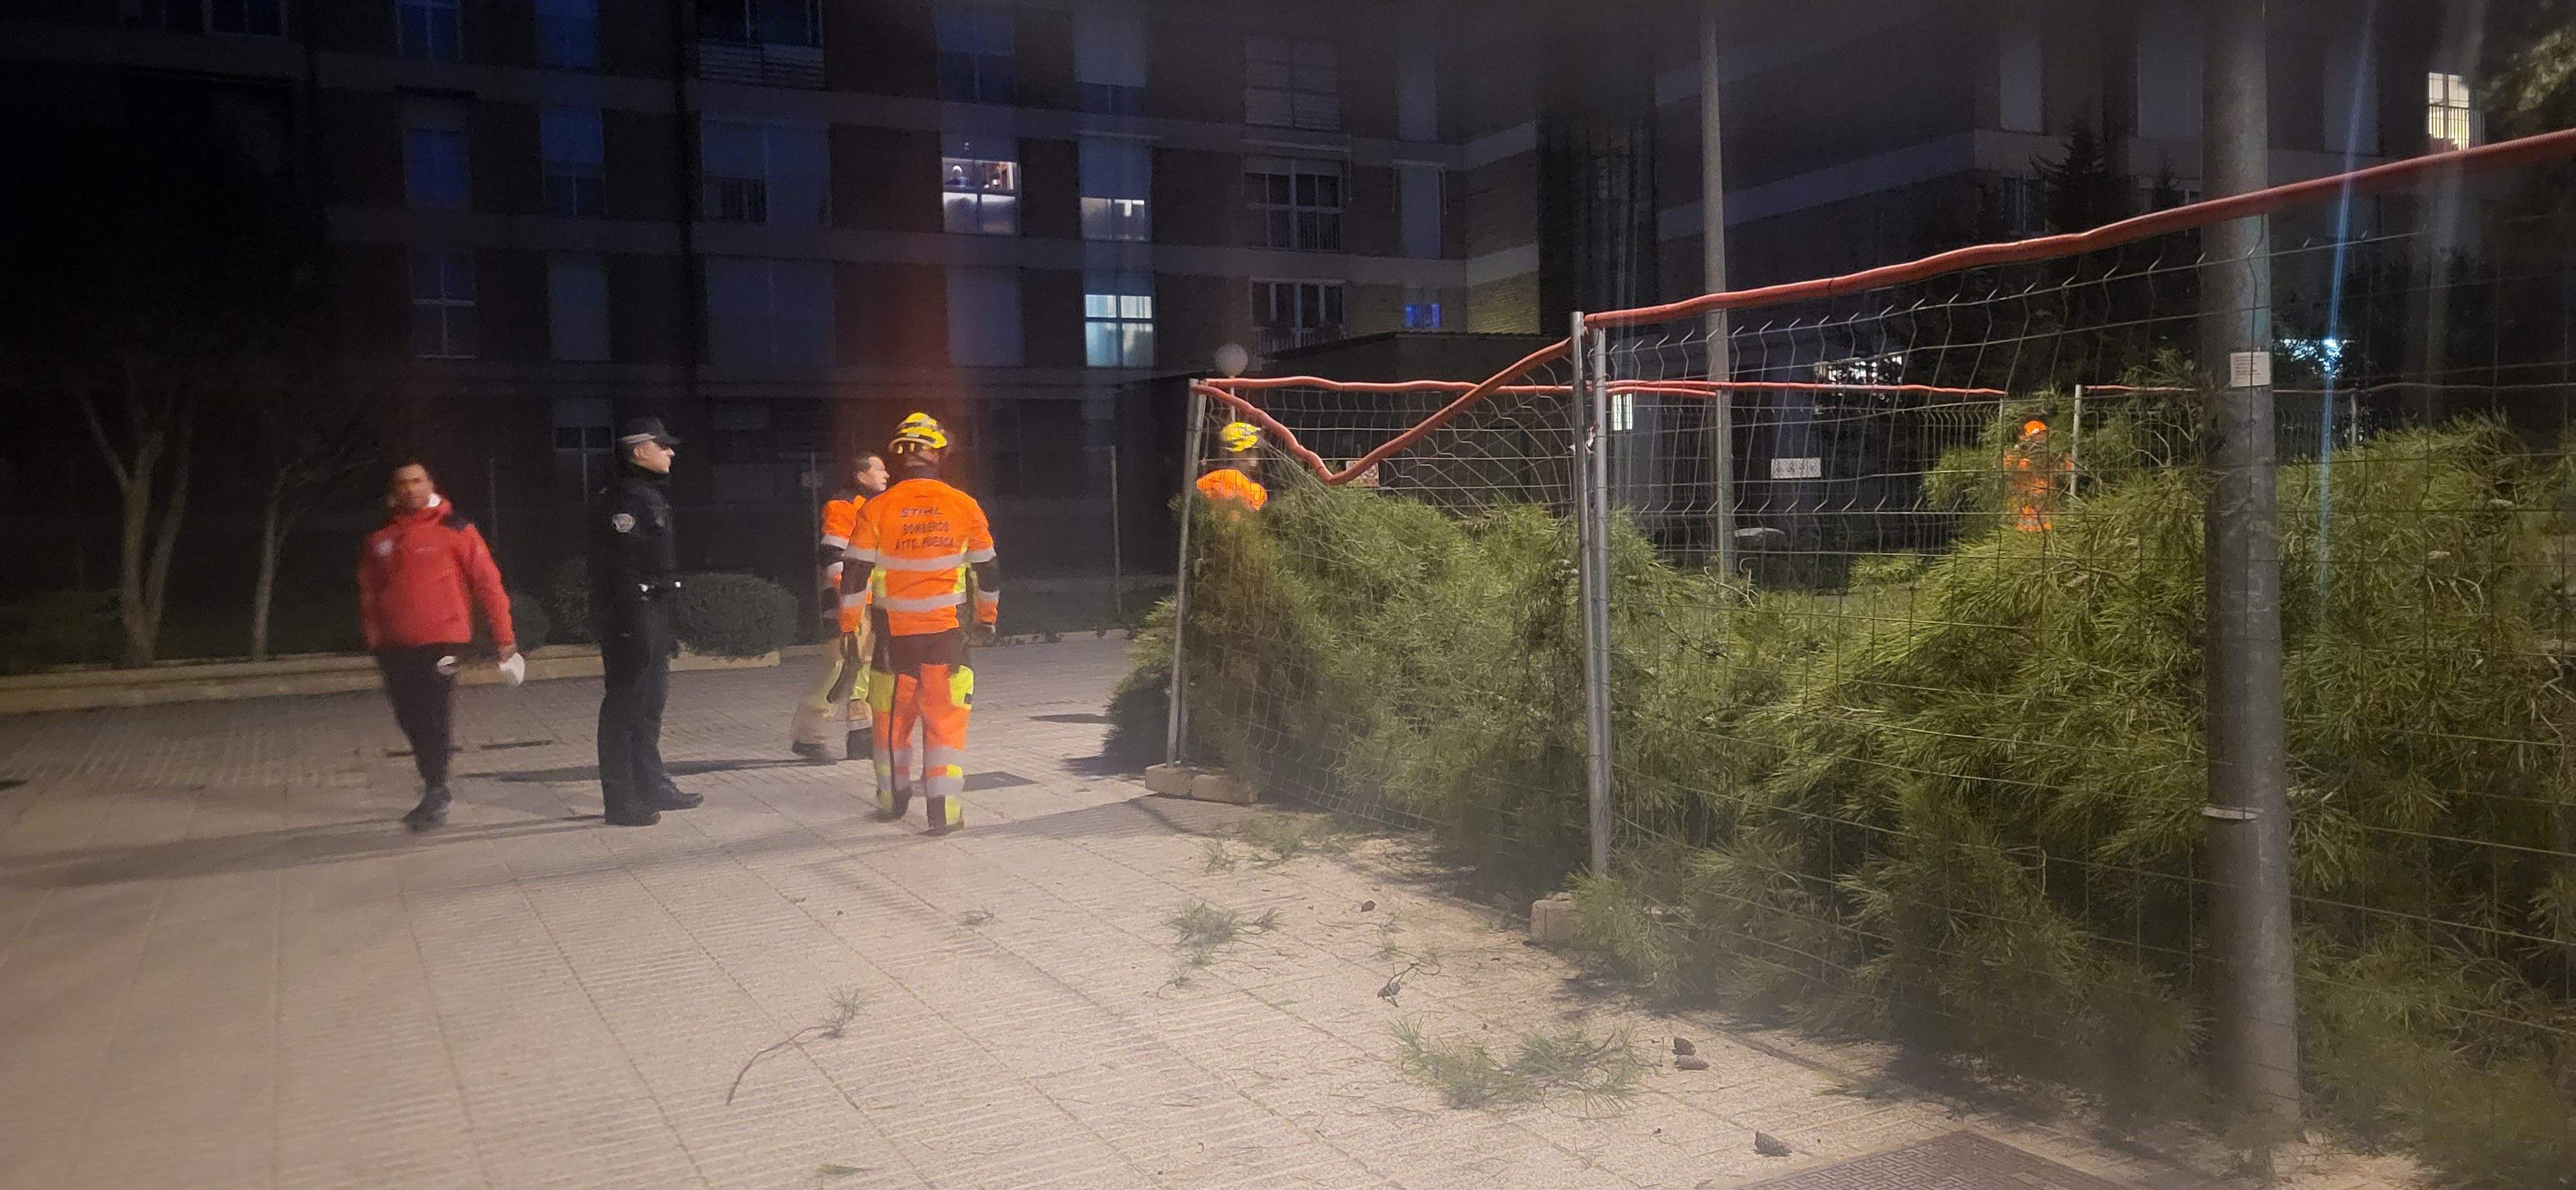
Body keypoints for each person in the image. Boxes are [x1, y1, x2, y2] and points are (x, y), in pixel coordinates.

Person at [843, 413, 999, 835]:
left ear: (901, 458)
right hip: (947, 637)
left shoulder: (877, 507)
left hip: (894, 638)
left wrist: (848, 629)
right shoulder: (964, 505)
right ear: (936, 455)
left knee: (891, 721)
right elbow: (988, 572)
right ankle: (944, 812)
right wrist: (986, 620)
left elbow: (854, 574)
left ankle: (892, 801)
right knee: (944, 724)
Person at [358, 462, 516, 831]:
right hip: (395, 645)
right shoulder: (381, 539)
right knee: (408, 716)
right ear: (394, 491)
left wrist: (504, 638)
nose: (411, 488)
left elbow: (488, 584)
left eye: (417, 481)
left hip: (443, 641)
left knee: (433, 712)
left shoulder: (456, 530)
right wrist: (374, 638)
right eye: (403, 483)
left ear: (430, 483)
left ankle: (436, 788)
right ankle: (433, 780)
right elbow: (369, 592)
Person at [589, 417, 701, 827]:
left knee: (650, 704)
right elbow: (620, 570)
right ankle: (620, 800)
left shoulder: (647, 494)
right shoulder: (623, 500)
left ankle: (652, 785)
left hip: (651, 611)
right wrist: (633, 625)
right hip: (629, 614)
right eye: (663, 446)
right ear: (640, 451)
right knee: (623, 707)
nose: (671, 452)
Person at [792, 450, 889, 760]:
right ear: (861, 476)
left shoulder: (879, 508)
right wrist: (848, 598)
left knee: (865, 667)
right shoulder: (843, 505)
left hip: (872, 601)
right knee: (837, 666)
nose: (886, 475)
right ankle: (808, 736)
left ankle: (861, 736)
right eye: (880, 469)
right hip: (848, 601)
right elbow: (832, 555)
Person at [1196, 420, 1269, 511]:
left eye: (1256, 451)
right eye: (1249, 450)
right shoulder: (1235, 480)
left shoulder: (1204, 481)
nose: (1255, 456)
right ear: (1232, 453)